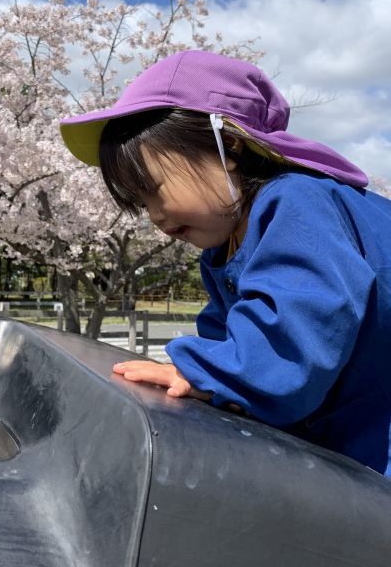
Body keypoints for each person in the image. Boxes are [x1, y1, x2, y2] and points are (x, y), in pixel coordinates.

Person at [59, 50, 391, 478]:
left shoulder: (296, 201)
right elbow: (226, 337)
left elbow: (296, 331)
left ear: (228, 146)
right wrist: (209, 378)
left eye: (154, 189)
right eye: (140, 205)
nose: (155, 215)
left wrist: (204, 374)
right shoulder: (225, 249)